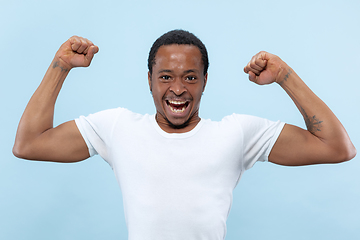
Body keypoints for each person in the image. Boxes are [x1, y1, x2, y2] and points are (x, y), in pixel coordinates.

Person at [13, 30, 356, 240]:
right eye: (166, 77)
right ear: (149, 79)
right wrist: (60, 65)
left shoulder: (237, 133)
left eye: (190, 77)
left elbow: (337, 147)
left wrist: (285, 76)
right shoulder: (118, 127)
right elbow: (29, 144)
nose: (177, 89)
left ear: (205, 81)